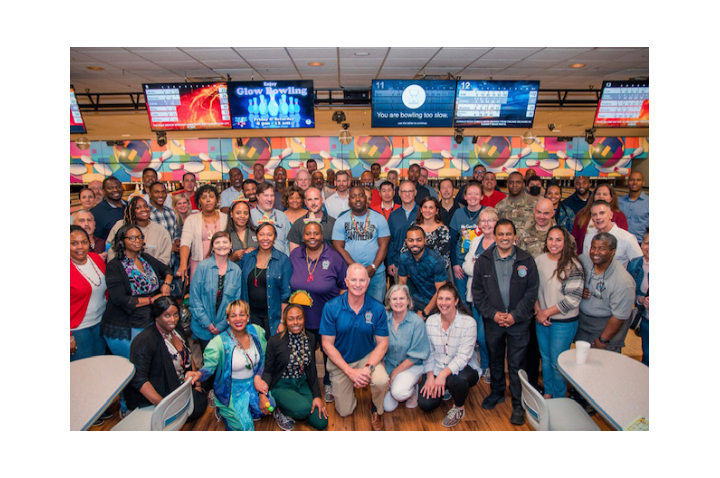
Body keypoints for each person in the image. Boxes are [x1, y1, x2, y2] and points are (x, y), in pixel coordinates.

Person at [472, 219, 539, 426]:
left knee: (518, 363)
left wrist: (514, 316)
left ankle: (519, 402)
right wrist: (493, 314)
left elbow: (531, 292)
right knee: (495, 358)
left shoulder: (526, 260)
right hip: (493, 321)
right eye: (500, 234)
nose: (504, 238)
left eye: (508, 234)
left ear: (514, 236)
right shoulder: (484, 260)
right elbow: (478, 292)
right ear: (496, 235)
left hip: (518, 322)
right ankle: (498, 392)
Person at [320, 264, 390, 431]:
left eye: (362, 280)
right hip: (341, 360)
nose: (358, 284)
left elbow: (383, 343)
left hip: (367, 356)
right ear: (346, 281)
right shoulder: (332, 307)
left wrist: (367, 369)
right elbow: (326, 345)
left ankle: (376, 409)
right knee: (345, 411)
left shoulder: (377, 308)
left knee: (381, 380)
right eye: (353, 280)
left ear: (368, 282)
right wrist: (350, 372)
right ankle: (352, 389)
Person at [187, 300, 271, 431]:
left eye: (242, 314)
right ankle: (225, 410)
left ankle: (245, 409)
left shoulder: (257, 332)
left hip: (252, 384)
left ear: (248, 317)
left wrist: (258, 380)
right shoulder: (219, 342)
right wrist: (198, 374)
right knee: (245, 428)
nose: (238, 319)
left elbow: (264, 359)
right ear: (227, 320)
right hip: (231, 389)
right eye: (233, 316)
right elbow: (209, 368)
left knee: (269, 405)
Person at [124, 297, 207, 423]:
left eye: (175, 315)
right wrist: (164, 406)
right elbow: (139, 380)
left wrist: (198, 385)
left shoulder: (177, 329)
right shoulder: (145, 341)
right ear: (156, 316)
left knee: (207, 386)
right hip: (161, 392)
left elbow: (189, 355)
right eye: (166, 316)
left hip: (180, 386)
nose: (173, 320)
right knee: (195, 407)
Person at [101, 225, 174, 359]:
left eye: (139, 237)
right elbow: (120, 299)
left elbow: (167, 270)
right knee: (135, 364)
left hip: (148, 320)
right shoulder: (115, 265)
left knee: (150, 363)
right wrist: (153, 299)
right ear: (122, 241)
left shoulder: (145, 259)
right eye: (132, 238)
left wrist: (167, 284)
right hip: (125, 326)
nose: (137, 241)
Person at [419, 284, 481, 428]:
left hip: (464, 369)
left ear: (456, 301)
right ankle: (446, 388)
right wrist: (429, 376)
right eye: (440, 298)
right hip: (437, 366)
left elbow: (463, 357)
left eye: (448, 299)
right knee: (425, 404)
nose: (443, 302)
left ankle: (459, 407)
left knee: (456, 380)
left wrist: (442, 375)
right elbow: (428, 352)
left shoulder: (468, 323)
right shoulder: (431, 321)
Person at [534, 226, 585, 399]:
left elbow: (573, 299)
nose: (553, 243)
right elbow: (533, 289)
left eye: (558, 239)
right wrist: (538, 311)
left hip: (563, 322)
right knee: (546, 359)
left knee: (558, 363)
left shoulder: (573, 265)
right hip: (542, 319)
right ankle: (548, 393)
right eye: (550, 239)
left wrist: (546, 312)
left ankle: (559, 398)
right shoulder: (539, 260)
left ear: (565, 242)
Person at [262, 304, 329, 431]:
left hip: (301, 383)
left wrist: (317, 396)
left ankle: (296, 408)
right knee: (303, 410)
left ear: (304, 319)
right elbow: (268, 370)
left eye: (299, 318)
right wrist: (263, 394)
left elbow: (311, 369)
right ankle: (279, 409)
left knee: (321, 422)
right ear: (286, 321)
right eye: (291, 319)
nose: (295, 322)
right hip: (281, 385)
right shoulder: (275, 341)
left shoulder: (310, 338)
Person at [577, 232, 636, 353]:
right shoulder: (583, 260)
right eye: (593, 247)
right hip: (583, 322)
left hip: (606, 324)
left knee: (603, 365)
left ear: (613, 251)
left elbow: (619, 317)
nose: (595, 252)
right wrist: (578, 289)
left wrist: (603, 339)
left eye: (602, 249)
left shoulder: (624, 282)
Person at [332, 186, 390, 304]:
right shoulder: (341, 220)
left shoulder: (379, 218)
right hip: (351, 274)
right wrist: (356, 268)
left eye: (360, 195)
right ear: (349, 201)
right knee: (352, 309)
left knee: (375, 309)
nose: (357, 199)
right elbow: (338, 247)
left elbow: (384, 245)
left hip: (376, 274)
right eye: (353, 196)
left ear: (366, 199)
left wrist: (373, 267)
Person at [461, 207, 498, 384]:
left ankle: (491, 365)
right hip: (476, 296)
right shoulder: (476, 241)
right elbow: (466, 266)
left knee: (486, 336)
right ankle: (485, 366)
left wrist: (477, 266)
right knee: (479, 335)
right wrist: (479, 267)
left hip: (494, 299)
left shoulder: (503, 242)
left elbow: (500, 271)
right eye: (482, 221)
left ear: (497, 223)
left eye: (490, 220)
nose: (486, 224)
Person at [189, 232, 245, 349]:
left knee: (225, 363)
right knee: (209, 363)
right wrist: (207, 324)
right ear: (212, 246)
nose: (221, 245)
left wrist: (221, 325)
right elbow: (194, 298)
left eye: (225, 242)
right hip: (203, 327)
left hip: (225, 328)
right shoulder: (202, 267)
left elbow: (235, 302)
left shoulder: (236, 271)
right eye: (217, 242)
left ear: (230, 245)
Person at [383, 284, 431, 413]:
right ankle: (396, 387)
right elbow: (379, 348)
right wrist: (385, 375)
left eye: (402, 298)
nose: (398, 302)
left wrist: (394, 373)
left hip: (411, 365)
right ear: (388, 301)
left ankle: (412, 387)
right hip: (389, 364)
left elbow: (416, 356)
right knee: (387, 407)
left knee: (399, 393)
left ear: (408, 300)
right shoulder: (383, 319)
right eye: (394, 299)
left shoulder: (417, 322)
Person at [240, 222, 292, 336]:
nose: (265, 238)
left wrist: (283, 321)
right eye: (261, 234)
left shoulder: (283, 260)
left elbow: (286, 294)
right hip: (250, 316)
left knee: (271, 351)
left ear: (275, 237)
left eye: (269, 234)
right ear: (256, 236)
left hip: (274, 318)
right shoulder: (247, 258)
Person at [70, 225, 107, 361]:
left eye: (84, 242)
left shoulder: (96, 259)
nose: (80, 247)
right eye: (74, 243)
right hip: (78, 330)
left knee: (100, 365)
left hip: (100, 324)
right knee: (83, 373)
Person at [178, 184, 228, 282]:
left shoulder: (225, 218)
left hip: (222, 263)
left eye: (211, 197)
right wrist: (183, 264)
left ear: (217, 200)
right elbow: (185, 243)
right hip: (198, 264)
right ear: (199, 201)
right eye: (204, 197)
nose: (208, 200)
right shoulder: (191, 219)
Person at [398, 226, 448, 319]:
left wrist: (425, 313)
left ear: (425, 240)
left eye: (419, 240)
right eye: (411, 240)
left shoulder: (436, 260)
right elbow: (402, 284)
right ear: (406, 241)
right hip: (417, 300)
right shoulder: (404, 257)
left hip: (438, 302)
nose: (415, 243)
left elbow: (441, 291)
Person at [106, 196, 173, 265]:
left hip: (153, 273)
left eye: (146, 206)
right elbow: (111, 250)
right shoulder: (120, 225)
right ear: (131, 210)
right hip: (123, 272)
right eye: (138, 208)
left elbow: (164, 258)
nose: (144, 209)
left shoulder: (161, 231)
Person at [449, 181, 484, 310]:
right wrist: (455, 264)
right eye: (469, 194)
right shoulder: (458, 213)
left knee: (478, 299)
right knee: (462, 299)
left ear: (482, 196)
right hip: (461, 263)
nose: (473, 197)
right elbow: (452, 241)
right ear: (464, 196)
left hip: (480, 264)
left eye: (476, 194)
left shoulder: (486, 213)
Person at [581, 201, 642, 267]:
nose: (598, 217)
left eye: (602, 213)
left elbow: (640, 265)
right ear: (592, 218)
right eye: (594, 214)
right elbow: (586, 263)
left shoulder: (627, 238)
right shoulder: (589, 237)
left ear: (610, 215)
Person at [572, 182, 628, 254]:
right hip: (585, 257)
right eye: (598, 194)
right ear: (594, 197)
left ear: (611, 198)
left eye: (605, 194)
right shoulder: (582, 214)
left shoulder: (619, 216)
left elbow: (622, 239)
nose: (601, 196)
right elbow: (575, 237)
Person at [406, 196, 451, 272]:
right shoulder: (414, 225)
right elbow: (406, 249)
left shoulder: (443, 230)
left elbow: (444, 258)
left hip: (434, 275)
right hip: (413, 273)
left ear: (436, 211)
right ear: (420, 209)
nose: (427, 210)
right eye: (425, 207)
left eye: (431, 208)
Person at [387, 181, 419, 283]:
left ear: (415, 192)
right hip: (398, 263)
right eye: (404, 191)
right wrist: (390, 261)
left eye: (410, 191)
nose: (407, 194)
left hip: (419, 264)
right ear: (399, 193)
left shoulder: (423, 213)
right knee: (401, 296)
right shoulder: (393, 215)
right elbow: (390, 240)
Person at [287, 186, 336, 253]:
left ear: (322, 200)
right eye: (309, 199)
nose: (313, 203)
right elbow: (294, 255)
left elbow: (338, 252)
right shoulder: (298, 225)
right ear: (305, 202)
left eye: (316, 199)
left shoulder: (334, 224)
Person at [627, 228, 649, 366]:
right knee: (646, 355)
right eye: (647, 243)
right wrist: (640, 299)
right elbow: (629, 290)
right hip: (645, 319)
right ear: (641, 244)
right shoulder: (636, 264)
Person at [250, 182, 291, 256]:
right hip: (258, 261)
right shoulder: (250, 216)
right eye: (266, 195)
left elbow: (287, 242)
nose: (269, 199)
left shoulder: (282, 216)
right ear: (257, 196)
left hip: (280, 261)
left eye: (272, 195)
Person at [90, 176, 126, 241]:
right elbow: (97, 240)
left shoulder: (130, 206)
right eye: (110, 188)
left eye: (118, 187)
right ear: (103, 191)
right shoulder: (96, 212)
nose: (115, 190)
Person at [618, 171, 650, 244]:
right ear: (627, 182)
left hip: (640, 243)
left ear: (643, 183)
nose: (635, 182)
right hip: (621, 242)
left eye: (638, 180)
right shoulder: (619, 201)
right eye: (632, 180)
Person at [226, 198, 258, 264]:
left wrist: (257, 252)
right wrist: (232, 258)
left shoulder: (257, 232)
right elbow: (217, 261)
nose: (242, 216)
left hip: (255, 272)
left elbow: (268, 253)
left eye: (246, 213)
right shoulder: (225, 235)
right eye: (238, 213)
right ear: (231, 214)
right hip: (233, 272)